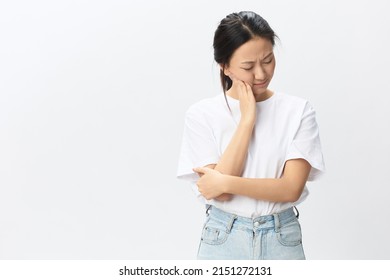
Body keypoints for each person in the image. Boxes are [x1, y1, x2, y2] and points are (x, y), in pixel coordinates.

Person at [176, 11, 325, 260]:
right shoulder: (201, 115)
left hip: (281, 237)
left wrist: (225, 182)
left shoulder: (298, 110)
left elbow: (290, 189)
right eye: (248, 66)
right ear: (224, 66)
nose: (261, 74)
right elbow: (220, 195)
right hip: (223, 237)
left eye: (267, 60)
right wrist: (247, 121)